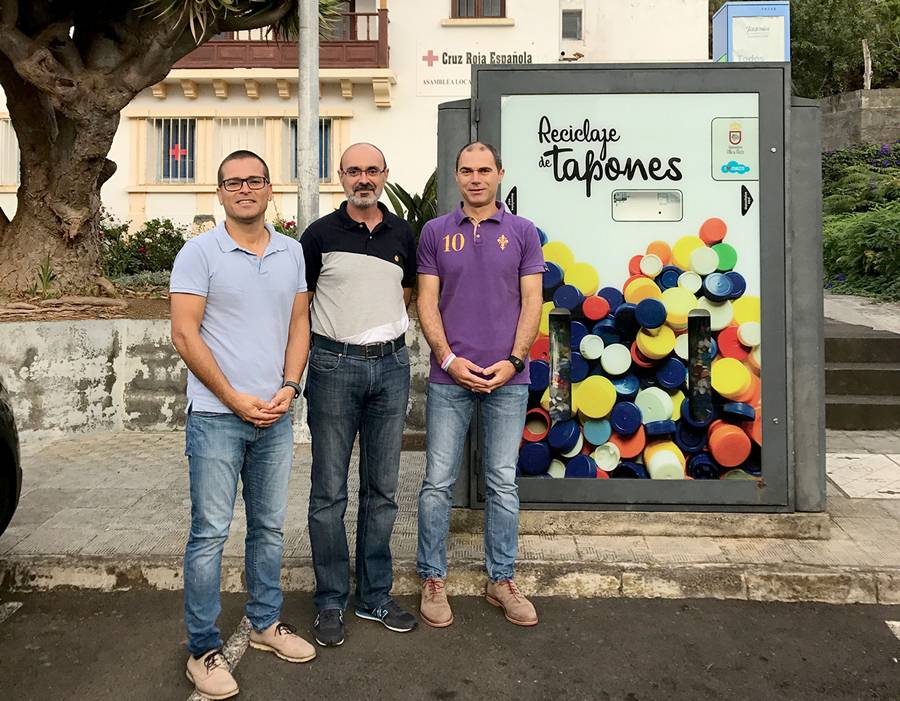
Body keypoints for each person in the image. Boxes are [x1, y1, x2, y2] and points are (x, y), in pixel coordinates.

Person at [170, 150, 314, 700]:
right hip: (216, 418)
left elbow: (299, 324)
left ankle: (265, 622)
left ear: (270, 189)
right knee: (209, 533)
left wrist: (290, 387)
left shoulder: (291, 252)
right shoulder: (199, 253)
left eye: (255, 180)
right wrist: (232, 399)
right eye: (234, 182)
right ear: (220, 192)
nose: (245, 189)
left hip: (274, 415)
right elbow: (184, 334)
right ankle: (203, 649)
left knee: (269, 527)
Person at [415, 141, 544, 628]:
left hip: (509, 379)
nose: (476, 178)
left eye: (484, 170)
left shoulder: (523, 232)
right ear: (456, 176)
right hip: (449, 378)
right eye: (467, 170)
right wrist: (448, 360)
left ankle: (501, 579)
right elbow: (426, 301)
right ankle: (432, 577)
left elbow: (532, 301)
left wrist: (514, 361)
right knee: (437, 482)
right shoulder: (434, 232)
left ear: (499, 174)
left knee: (502, 482)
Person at [300, 142, 418, 647]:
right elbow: (301, 305)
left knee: (382, 490)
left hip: (391, 368)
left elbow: (405, 294)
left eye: (372, 170)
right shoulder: (318, 236)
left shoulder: (402, 233)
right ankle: (330, 599)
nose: (363, 178)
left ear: (385, 175)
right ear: (341, 176)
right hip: (333, 367)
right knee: (329, 492)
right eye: (354, 171)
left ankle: (374, 595)